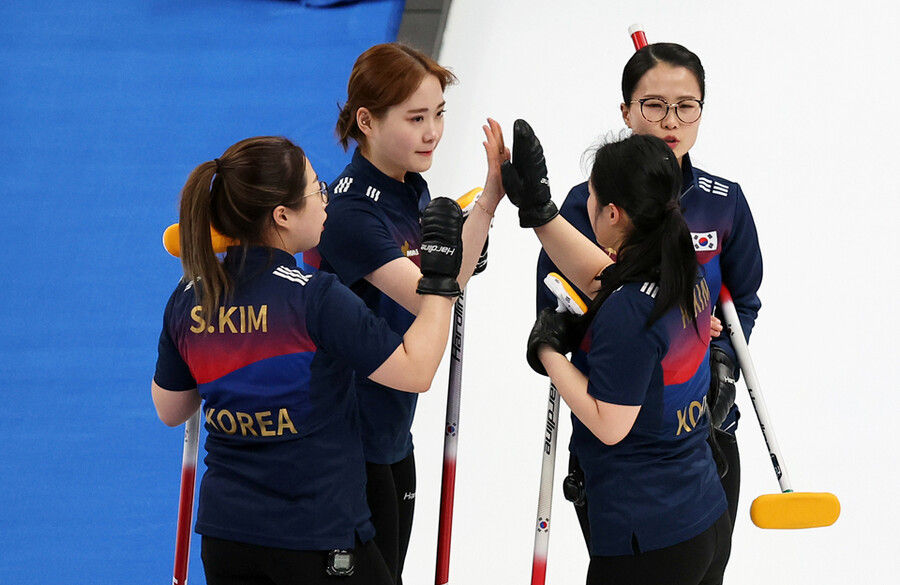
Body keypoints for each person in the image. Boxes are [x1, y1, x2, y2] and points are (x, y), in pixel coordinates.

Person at [151, 136, 467, 585]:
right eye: (317, 189)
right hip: (317, 538)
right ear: (281, 216)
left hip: (226, 540)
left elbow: (171, 409)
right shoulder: (316, 298)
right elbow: (416, 372)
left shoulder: (188, 297)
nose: (326, 201)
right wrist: (440, 279)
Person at [535, 42, 763, 537]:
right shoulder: (585, 207)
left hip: (706, 428)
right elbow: (557, 308)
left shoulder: (724, 202)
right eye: (654, 105)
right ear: (626, 111)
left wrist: (722, 359)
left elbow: (742, 299)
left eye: (686, 106)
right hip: (623, 441)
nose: (671, 121)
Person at [305, 43, 506, 584]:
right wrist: (454, 256)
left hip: (392, 432)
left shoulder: (409, 189)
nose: (432, 132)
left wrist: (488, 202)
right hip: (348, 443)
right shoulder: (348, 214)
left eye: (439, 114)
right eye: (416, 118)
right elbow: (429, 296)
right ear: (366, 121)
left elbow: (446, 288)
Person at [504, 121, 731, 584]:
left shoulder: (629, 312)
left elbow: (609, 424)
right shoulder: (684, 266)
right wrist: (539, 212)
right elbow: (605, 275)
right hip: (702, 514)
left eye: (589, 193)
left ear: (611, 214)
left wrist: (548, 350)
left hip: (648, 539)